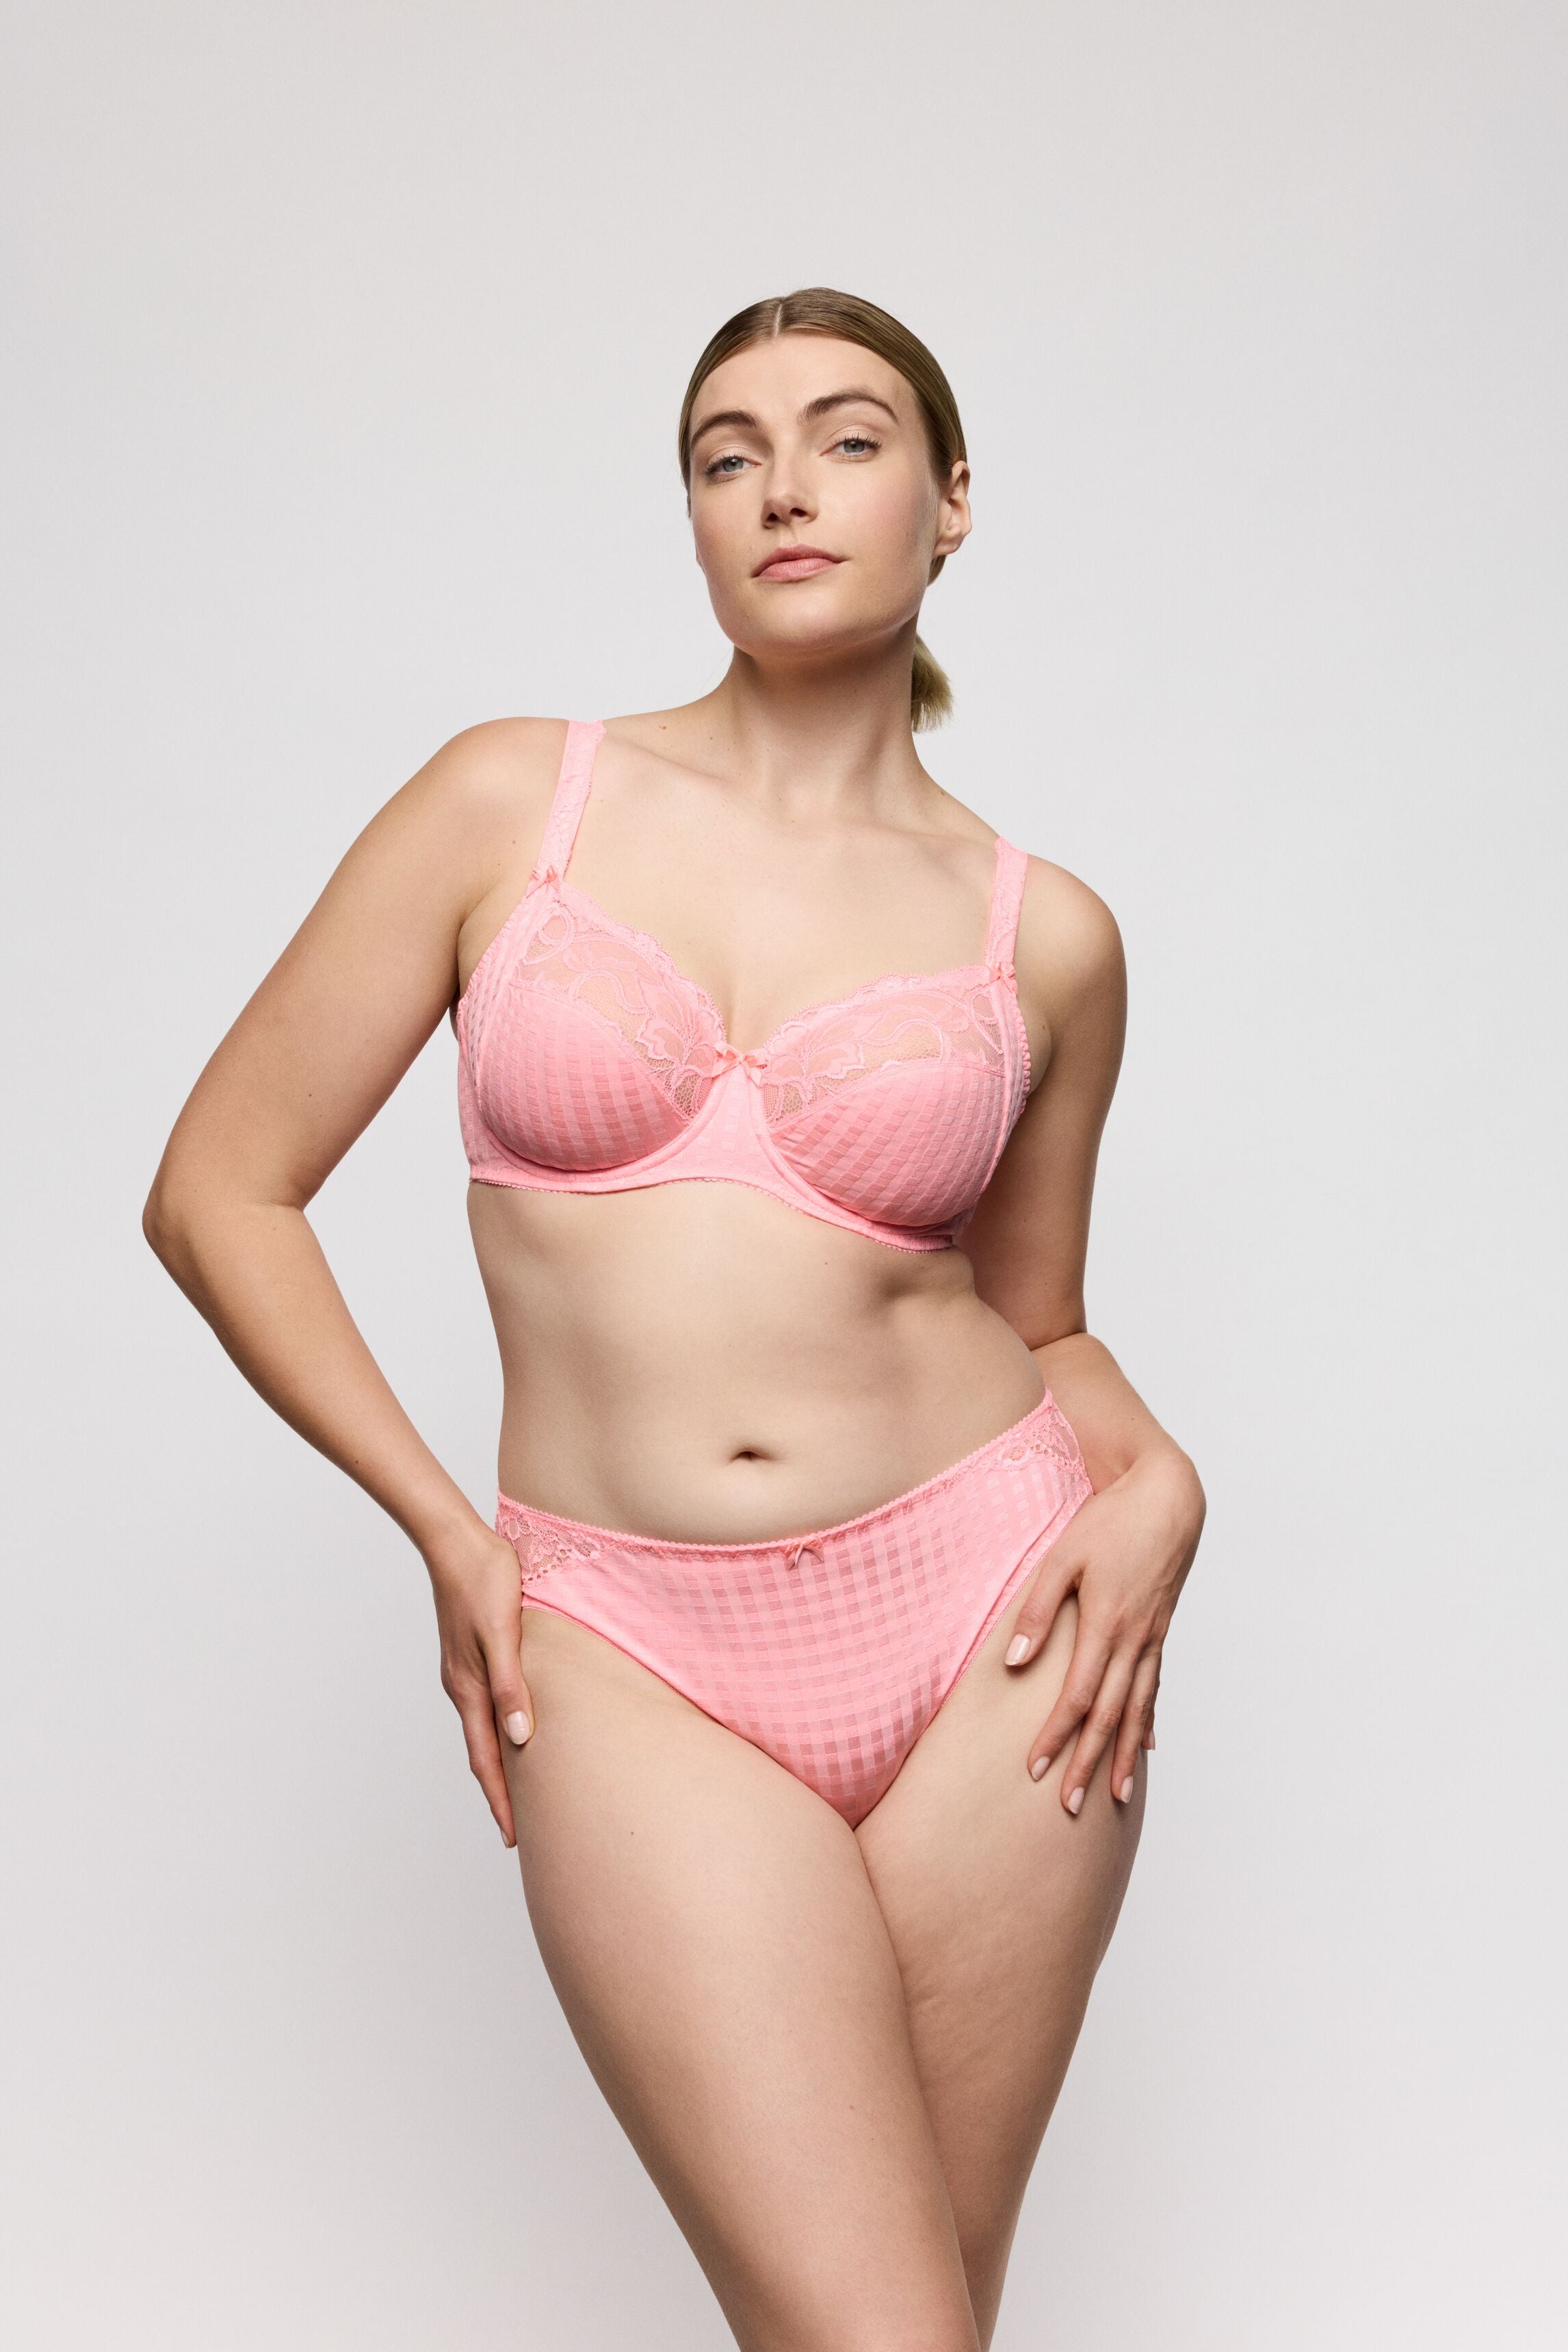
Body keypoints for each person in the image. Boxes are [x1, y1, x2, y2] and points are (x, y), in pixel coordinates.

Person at [144, 286, 1205, 2352]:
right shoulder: (509, 803)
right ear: (695, 518)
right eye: (729, 454)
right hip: (624, 1641)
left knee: (916, 2325)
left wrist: (1159, 1478)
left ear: (950, 500)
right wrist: (449, 1531)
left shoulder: (1047, 934)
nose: (783, 486)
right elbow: (218, 1190)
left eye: (846, 437)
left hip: (996, 1624)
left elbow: (1041, 1323)